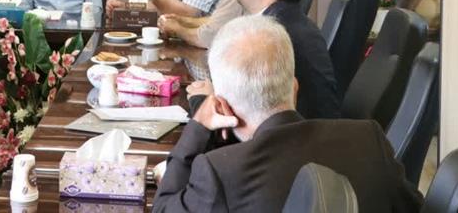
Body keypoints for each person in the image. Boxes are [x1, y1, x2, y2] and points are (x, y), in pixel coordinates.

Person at [153, 15, 423, 213]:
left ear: (221, 107)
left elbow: (163, 208)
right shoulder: (369, 138)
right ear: (294, 88)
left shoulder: (220, 173)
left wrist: (198, 126)